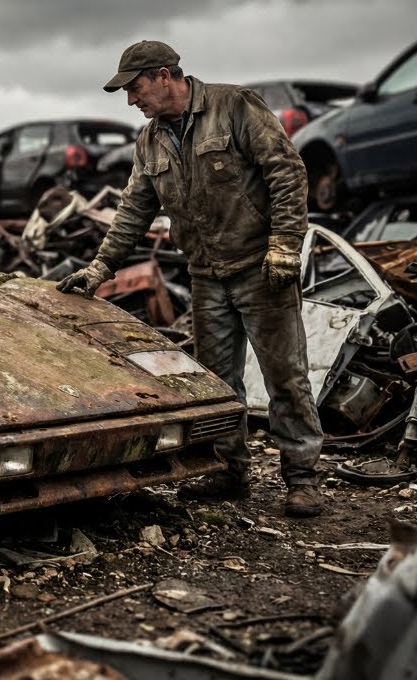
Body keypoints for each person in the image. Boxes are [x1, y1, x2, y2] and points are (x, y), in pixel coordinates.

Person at [59, 40, 324, 518]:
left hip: (260, 268)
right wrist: (100, 267)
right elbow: (135, 209)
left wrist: (285, 245)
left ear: (165, 76)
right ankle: (228, 470)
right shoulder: (150, 141)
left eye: (136, 88)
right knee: (217, 382)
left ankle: (302, 478)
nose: (131, 101)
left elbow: (286, 174)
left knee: (284, 376)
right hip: (205, 274)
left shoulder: (234, 106)